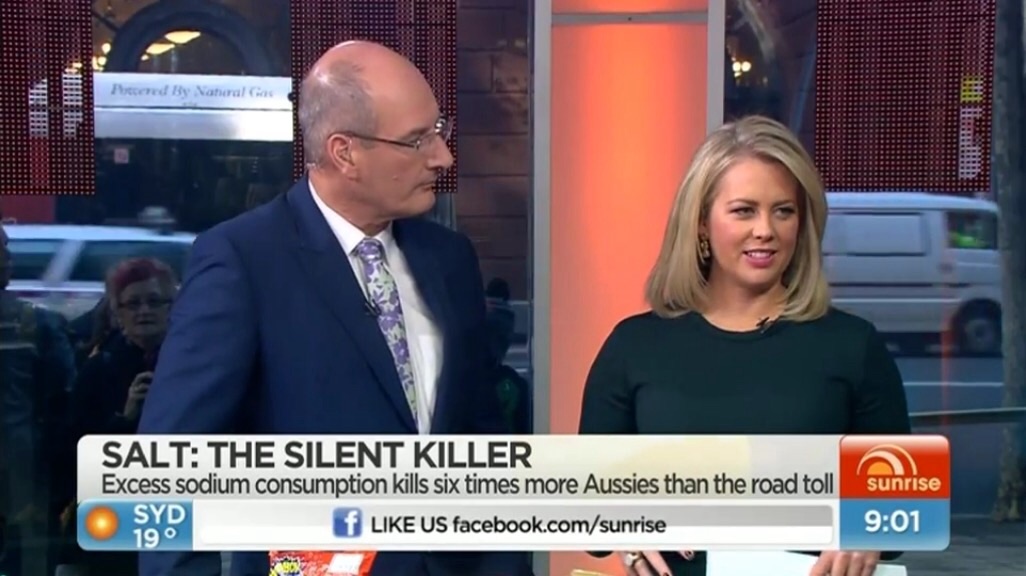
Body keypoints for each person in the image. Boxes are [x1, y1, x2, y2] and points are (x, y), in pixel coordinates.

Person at [137, 41, 517, 576]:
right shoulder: (244, 261)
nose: (442, 157)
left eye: (440, 130)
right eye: (417, 140)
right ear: (345, 153)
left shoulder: (449, 259)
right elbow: (170, 463)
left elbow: (479, 435)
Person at [578, 116, 911, 576]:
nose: (765, 230)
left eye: (783, 211)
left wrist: (866, 533)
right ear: (701, 223)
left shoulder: (854, 347)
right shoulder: (634, 347)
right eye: (744, 211)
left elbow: (900, 508)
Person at [0, 217, 76, 576]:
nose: (8, 258)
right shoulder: (38, 325)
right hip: (23, 470)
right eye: (3, 250)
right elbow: (64, 394)